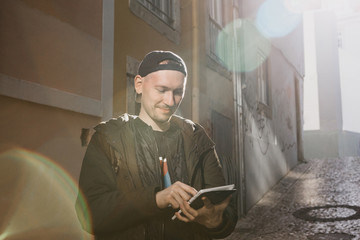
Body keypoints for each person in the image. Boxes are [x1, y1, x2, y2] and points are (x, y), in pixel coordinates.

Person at [75, 50, 237, 240]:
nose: (170, 101)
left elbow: (226, 213)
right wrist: (156, 199)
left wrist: (214, 221)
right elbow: (90, 214)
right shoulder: (108, 138)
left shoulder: (197, 138)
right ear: (139, 84)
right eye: (162, 90)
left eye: (178, 92)